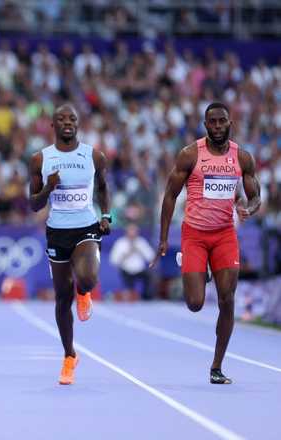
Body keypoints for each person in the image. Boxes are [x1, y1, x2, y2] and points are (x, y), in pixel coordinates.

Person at [151, 102, 261, 384]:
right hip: (195, 235)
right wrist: (164, 238)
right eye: (211, 122)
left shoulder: (242, 158)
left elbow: (255, 195)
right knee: (195, 304)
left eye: (221, 121)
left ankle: (216, 367)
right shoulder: (190, 155)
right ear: (205, 125)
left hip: (225, 234)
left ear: (230, 123)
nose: (217, 126)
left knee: (227, 299)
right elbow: (170, 195)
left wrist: (250, 208)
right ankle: (195, 268)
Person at [28, 104, 111, 385]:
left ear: (78, 123)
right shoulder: (40, 159)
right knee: (62, 299)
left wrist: (107, 215)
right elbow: (34, 204)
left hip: (86, 227)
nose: (67, 122)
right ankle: (69, 356)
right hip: (57, 233)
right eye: (61, 119)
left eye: (72, 118)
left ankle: (84, 290)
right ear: (52, 125)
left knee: (87, 278)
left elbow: (102, 187)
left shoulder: (93, 155)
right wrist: (49, 188)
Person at [109, 223, 155, 300]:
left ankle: (147, 297)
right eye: (130, 231)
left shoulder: (141, 242)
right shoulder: (120, 243)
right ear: (126, 232)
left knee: (149, 277)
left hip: (139, 270)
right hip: (126, 270)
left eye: (134, 231)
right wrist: (126, 254)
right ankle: (130, 295)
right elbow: (113, 260)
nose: (132, 233)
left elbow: (151, 257)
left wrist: (140, 251)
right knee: (129, 288)